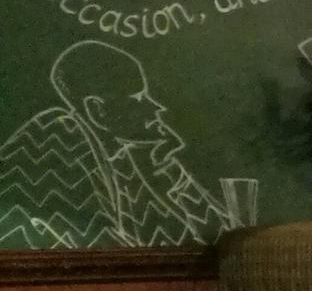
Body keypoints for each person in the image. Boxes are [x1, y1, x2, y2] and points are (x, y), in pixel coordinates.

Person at [0, 40, 235, 248]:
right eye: (139, 98)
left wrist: (170, 172)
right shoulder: (56, 139)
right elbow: (101, 256)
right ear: (97, 111)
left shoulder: (121, 158)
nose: (156, 107)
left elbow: (213, 247)